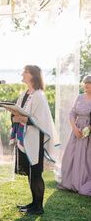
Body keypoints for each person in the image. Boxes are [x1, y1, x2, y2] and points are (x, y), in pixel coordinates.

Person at [6, 65, 59, 215]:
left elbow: (41, 120)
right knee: (30, 173)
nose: (22, 73)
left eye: (25, 71)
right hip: (24, 139)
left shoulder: (39, 95)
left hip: (35, 140)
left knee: (36, 173)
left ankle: (39, 206)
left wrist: (22, 118)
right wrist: (13, 114)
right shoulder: (24, 94)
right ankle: (33, 203)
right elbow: (17, 112)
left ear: (33, 75)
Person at [58, 75, 91, 196]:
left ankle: (81, 183)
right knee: (71, 155)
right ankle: (70, 182)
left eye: (89, 83)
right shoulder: (80, 97)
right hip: (76, 130)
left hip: (87, 134)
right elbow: (72, 112)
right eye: (85, 83)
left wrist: (88, 129)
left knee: (85, 158)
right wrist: (74, 127)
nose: (86, 85)